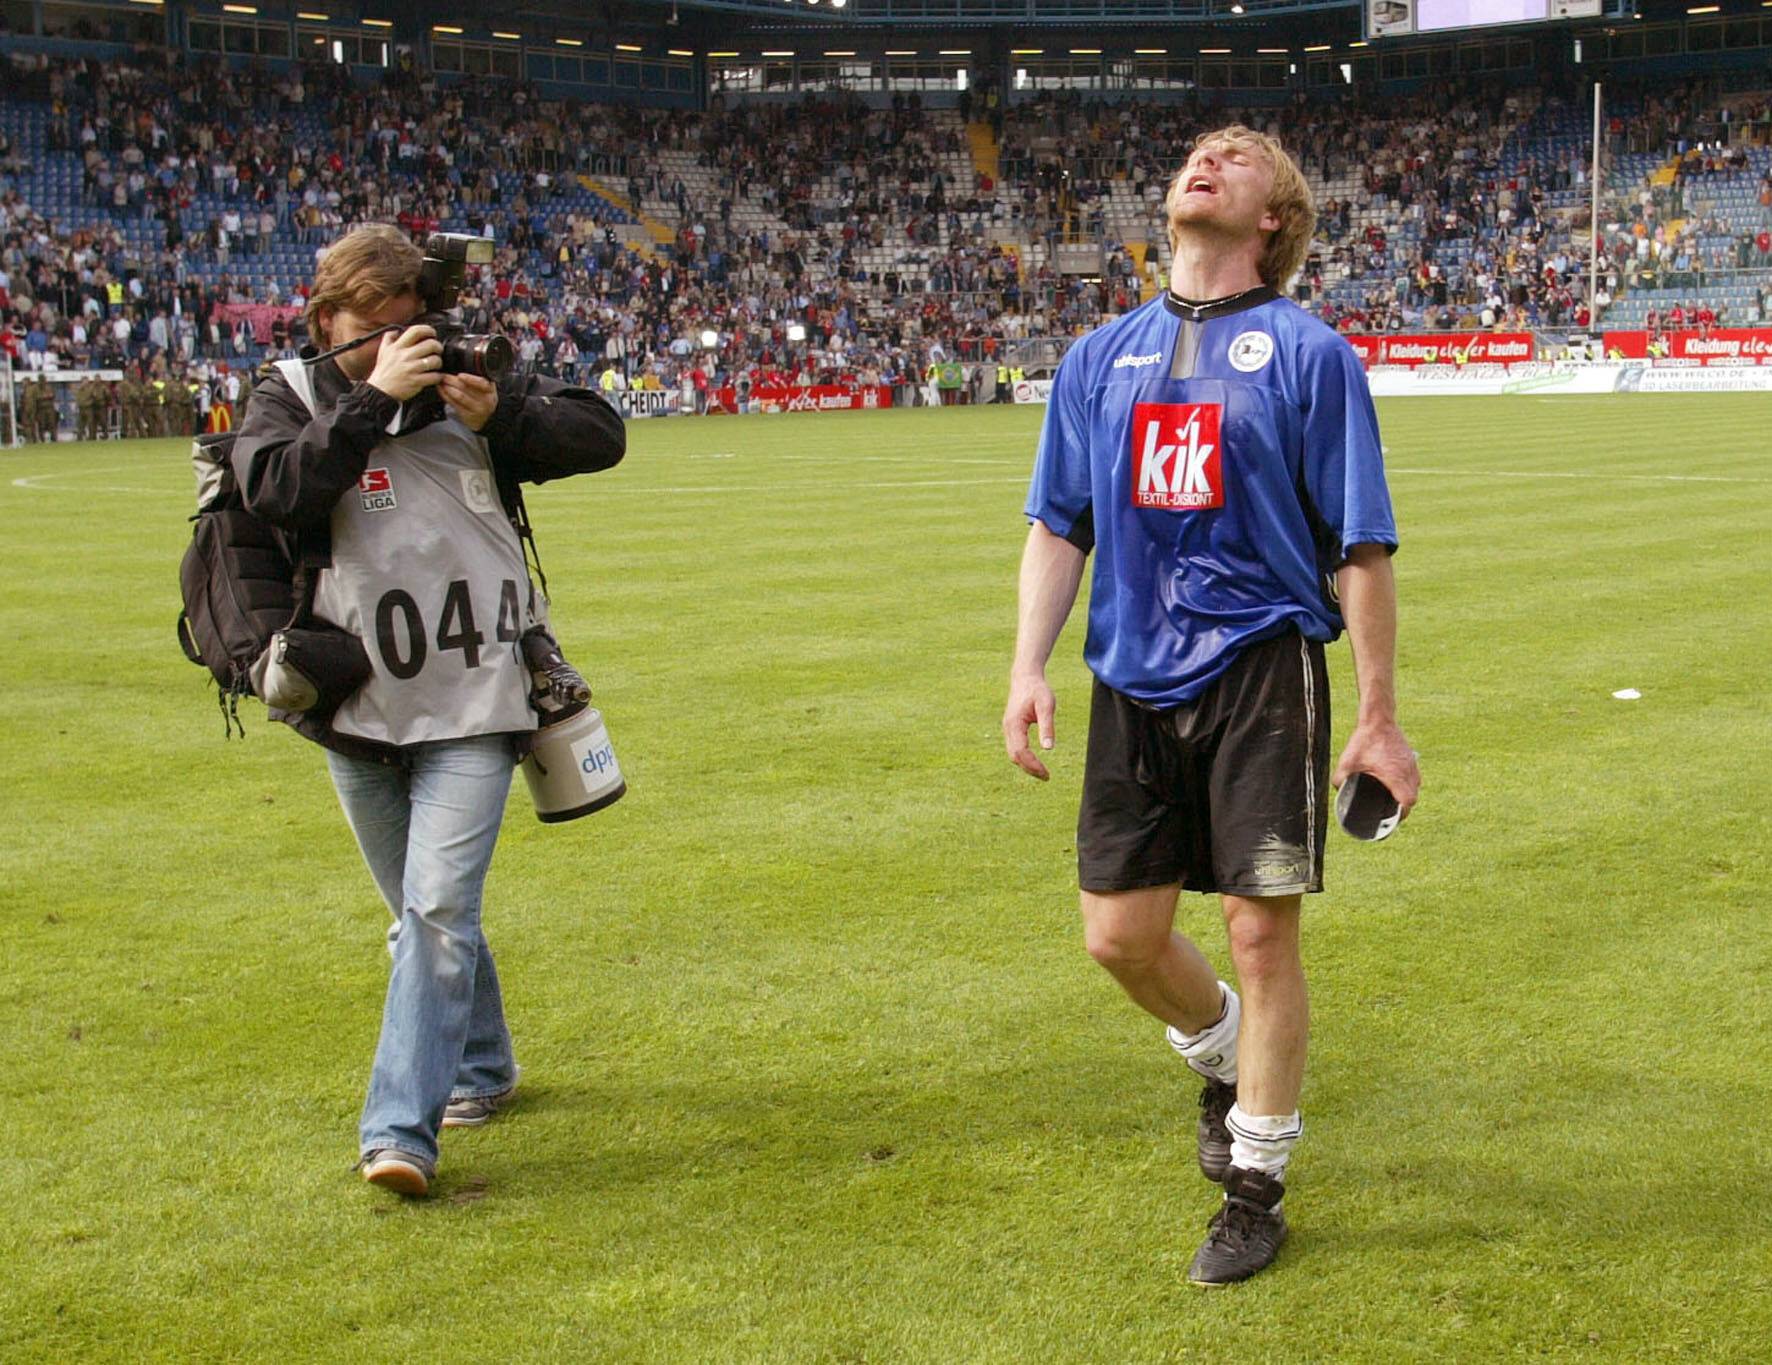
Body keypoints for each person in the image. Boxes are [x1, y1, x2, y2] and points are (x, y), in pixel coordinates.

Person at [1001, 126, 1420, 1287]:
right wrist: (1027, 666)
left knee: (1255, 928)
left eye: (1236, 159)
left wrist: (1377, 715)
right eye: (1195, 152)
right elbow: (1057, 523)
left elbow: (1360, 544)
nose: (1204, 163)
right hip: (1129, 671)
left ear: (1271, 218)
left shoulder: (1307, 353)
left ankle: (1255, 1185)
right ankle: (1228, 1059)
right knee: (1118, 937)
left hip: (1260, 667)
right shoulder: (1098, 357)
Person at [232, 224, 626, 1198]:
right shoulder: (288, 393)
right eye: (374, 329)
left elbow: (600, 433)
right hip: (354, 704)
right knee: (421, 913)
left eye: (412, 325)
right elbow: (276, 491)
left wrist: (501, 419)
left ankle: (398, 1132)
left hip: (480, 697)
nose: (402, 344)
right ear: (326, 320)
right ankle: (484, 1068)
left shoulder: (465, 380)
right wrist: (372, 400)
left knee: (438, 908)